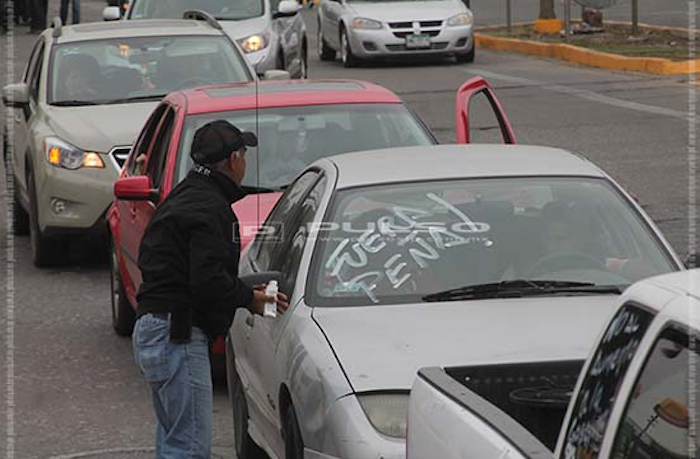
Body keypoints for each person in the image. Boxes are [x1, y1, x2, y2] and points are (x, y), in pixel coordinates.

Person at [132, 120, 289, 458]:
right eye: (244, 155)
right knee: (188, 448)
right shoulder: (209, 208)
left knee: (174, 440)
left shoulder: (184, 198)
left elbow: (180, 268)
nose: (245, 164)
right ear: (234, 159)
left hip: (154, 328)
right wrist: (251, 300)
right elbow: (206, 280)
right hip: (178, 335)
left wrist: (242, 291)